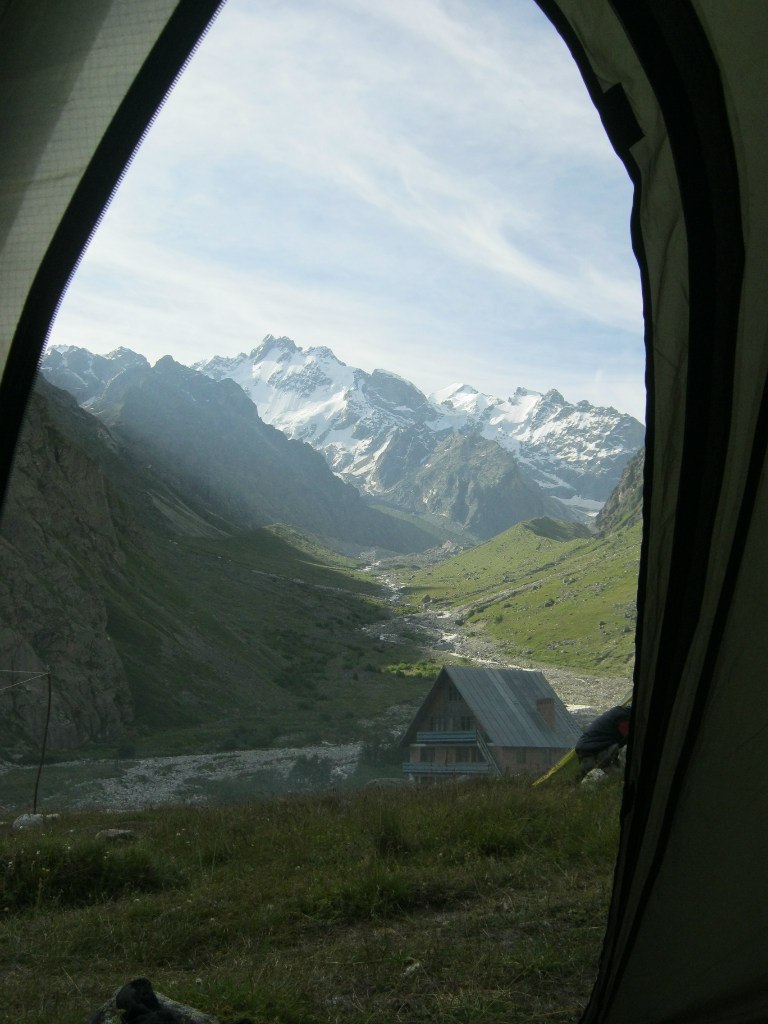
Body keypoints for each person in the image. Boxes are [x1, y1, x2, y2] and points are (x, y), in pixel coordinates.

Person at [575, 704, 631, 777]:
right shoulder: (623, 717)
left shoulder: (618, 712)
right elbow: (628, 738)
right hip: (594, 755)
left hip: (585, 755)